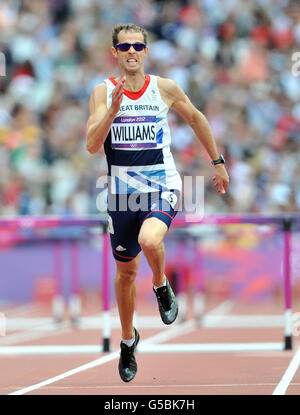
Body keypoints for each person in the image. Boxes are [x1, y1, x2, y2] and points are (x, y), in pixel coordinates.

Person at [86, 23, 229, 383]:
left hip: (161, 185)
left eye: (138, 45)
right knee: (125, 274)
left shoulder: (164, 88)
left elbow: (196, 118)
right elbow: (90, 144)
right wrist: (112, 111)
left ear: (145, 51)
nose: (131, 51)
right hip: (120, 193)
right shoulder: (102, 93)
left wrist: (217, 162)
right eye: (124, 46)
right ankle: (128, 340)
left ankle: (161, 285)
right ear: (115, 52)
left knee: (151, 240)